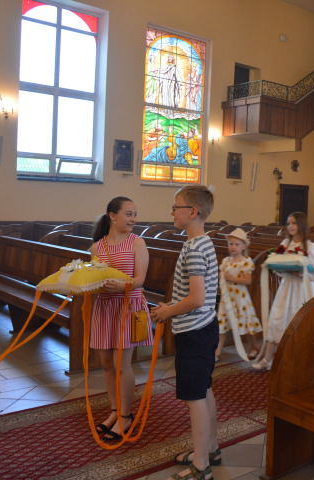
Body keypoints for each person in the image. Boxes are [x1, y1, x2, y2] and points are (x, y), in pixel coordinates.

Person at [150, 186, 220, 480]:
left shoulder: (194, 248)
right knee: (204, 390)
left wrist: (168, 312)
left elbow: (197, 298)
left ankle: (201, 467)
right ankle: (211, 450)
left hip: (194, 331)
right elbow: (194, 297)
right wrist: (172, 305)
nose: (171, 212)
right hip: (204, 326)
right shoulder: (203, 242)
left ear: (192, 212)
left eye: (175, 207)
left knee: (194, 398)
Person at [90, 196, 153, 441]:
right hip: (105, 307)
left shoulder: (137, 242)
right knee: (107, 365)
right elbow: (94, 279)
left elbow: (140, 280)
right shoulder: (97, 247)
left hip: (128, 306)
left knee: (121, 366)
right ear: (112, 216)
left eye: (135, 214)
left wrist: (121, 286)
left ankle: (126, 416)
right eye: (128, 214)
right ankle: (115, 412)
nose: (133, 219)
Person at [252, 212, 314, 371]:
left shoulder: (312, 247)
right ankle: (267, 359)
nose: (290, 226)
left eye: (294, 223)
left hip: (303, 289)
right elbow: (279, 268)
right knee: (277, 319)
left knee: (298, 324)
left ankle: (296, 362)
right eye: (288, 223)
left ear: (301, 225)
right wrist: (280, 269)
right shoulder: (285, 244)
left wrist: (299, 272)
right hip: (286, 287)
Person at [215, 228, 262, 362]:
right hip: (226, 299)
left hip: (240, 299)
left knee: (245, 325)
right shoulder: (226, 261)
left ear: (243, 246)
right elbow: (222, 276)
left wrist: (231, 278)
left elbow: (247, 281)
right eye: (231, 244)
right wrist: (220, 276)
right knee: (222, 325)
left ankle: (254, 346)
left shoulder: (245, 261)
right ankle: (217, 351)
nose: (233, 247)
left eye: (236, 244)